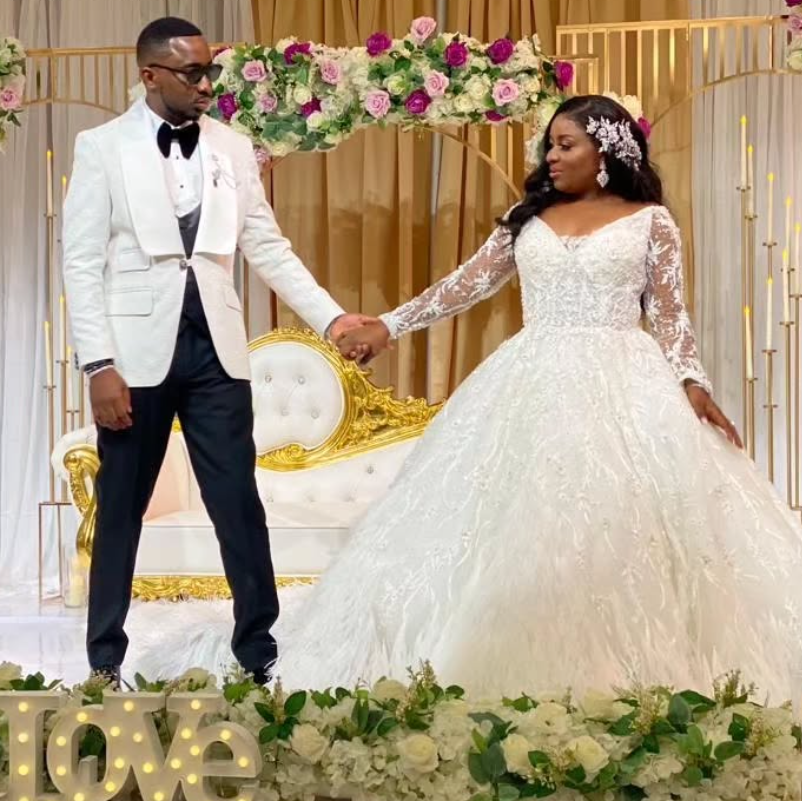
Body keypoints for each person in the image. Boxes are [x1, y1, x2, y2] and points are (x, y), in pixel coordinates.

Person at [133, 95, 802, 702]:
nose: (550, 155)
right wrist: (386, 326)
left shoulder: (651, 222)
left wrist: (693, 384)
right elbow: (463, 285)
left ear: (606, 150)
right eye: (549, 144)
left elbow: (672, 316)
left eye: (565, 143)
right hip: (532, 378)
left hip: (625, 380)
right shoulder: (527, 218)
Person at [63, 17, 374, 689]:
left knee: (237, 502)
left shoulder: (232, 147)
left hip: (217, 355)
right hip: (134, 356)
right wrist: (98, 365)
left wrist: (331, 318)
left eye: (209, 72)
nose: (207, 84)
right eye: (192, 73)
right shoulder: (101, 147)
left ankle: (259, 652)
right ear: (150, 75)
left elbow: (267, 247)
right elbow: (81, 263)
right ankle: (104, 661)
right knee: (120, 509)